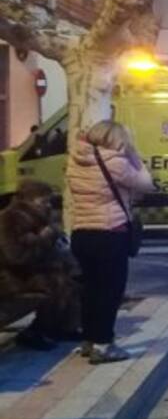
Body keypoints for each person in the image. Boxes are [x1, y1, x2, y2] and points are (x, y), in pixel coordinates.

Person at [67, 121, 155, 363]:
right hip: (109, 233)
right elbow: (146, 184)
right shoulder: (116, 163)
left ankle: (89, 339)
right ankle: (104, 344)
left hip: (81, 233)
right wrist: (135, 157)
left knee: (90, 290)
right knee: (110, 291)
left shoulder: (76, 161)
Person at [0, 180, 80, 350]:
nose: (49, 205)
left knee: (74, 277)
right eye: (43, 201)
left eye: (49, 201)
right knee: (55, 283)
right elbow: (15, 257)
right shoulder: (11, 219)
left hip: (30, 271)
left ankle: (63, 327)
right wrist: (44, 238)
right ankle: (37, 331)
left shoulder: (39, 218)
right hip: (14, 277)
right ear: (28, 201)